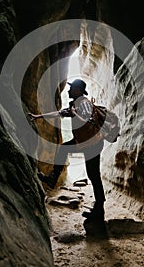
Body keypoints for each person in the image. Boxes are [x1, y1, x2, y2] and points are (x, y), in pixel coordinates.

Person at [28, 79, 105, 221]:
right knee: (64, 150)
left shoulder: (84, 102)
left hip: (93, 144)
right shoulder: (75, 105)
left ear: (77, 90)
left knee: (93, 175)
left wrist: (75, 113)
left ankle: (99, 209)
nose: (69, 91)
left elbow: (87, 119)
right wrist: (38, 116)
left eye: (71, 89)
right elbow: (59, 113)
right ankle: (52, 178)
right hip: (84, 143)